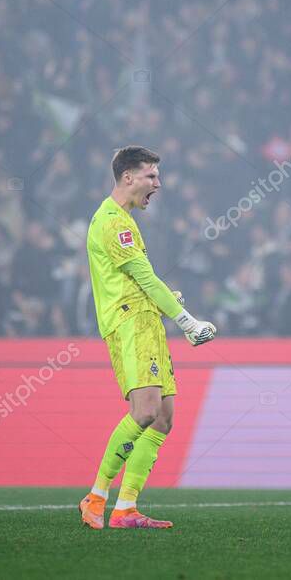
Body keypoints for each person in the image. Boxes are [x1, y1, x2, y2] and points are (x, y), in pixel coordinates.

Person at [79, 146, 217, 530]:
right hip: (131, 325)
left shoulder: (123, 219)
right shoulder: (113, 222)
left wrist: (165, 303)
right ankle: (96, 496)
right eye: (151, 176)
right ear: (128, 178)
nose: (158, 184)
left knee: (163, 419)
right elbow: (144, 277)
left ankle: (126, 508)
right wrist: (187, 321)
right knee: (143, 412)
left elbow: (139, 282)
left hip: (146, 321)